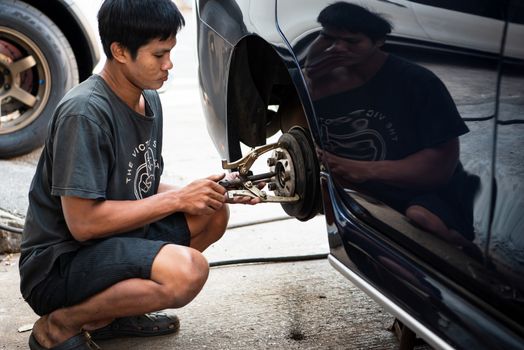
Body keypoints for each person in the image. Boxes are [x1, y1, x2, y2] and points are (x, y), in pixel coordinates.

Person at [19, 1, 259, 349]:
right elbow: (82, 223)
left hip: (107, 243)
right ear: (119, 51)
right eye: (158, 54)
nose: (169, 64)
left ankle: (112, 316)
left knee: (212, 214)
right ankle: (61, 324)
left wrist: (210, 191)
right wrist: (177, 198)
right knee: (187, 272)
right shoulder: (84, 113)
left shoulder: (147, 97)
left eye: (170, 52)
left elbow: (139, 183)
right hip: (59, 265)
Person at [304, 2, 480, 254]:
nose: (338, 48)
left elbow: (440, 165)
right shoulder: (321, 77)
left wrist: (360, 169)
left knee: (422, 217)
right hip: (363, 192)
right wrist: (310, 76)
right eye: (329, 37)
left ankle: (463, 252)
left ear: (378, 42)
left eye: (352, 41)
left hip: (426, 192)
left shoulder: (417, 82)